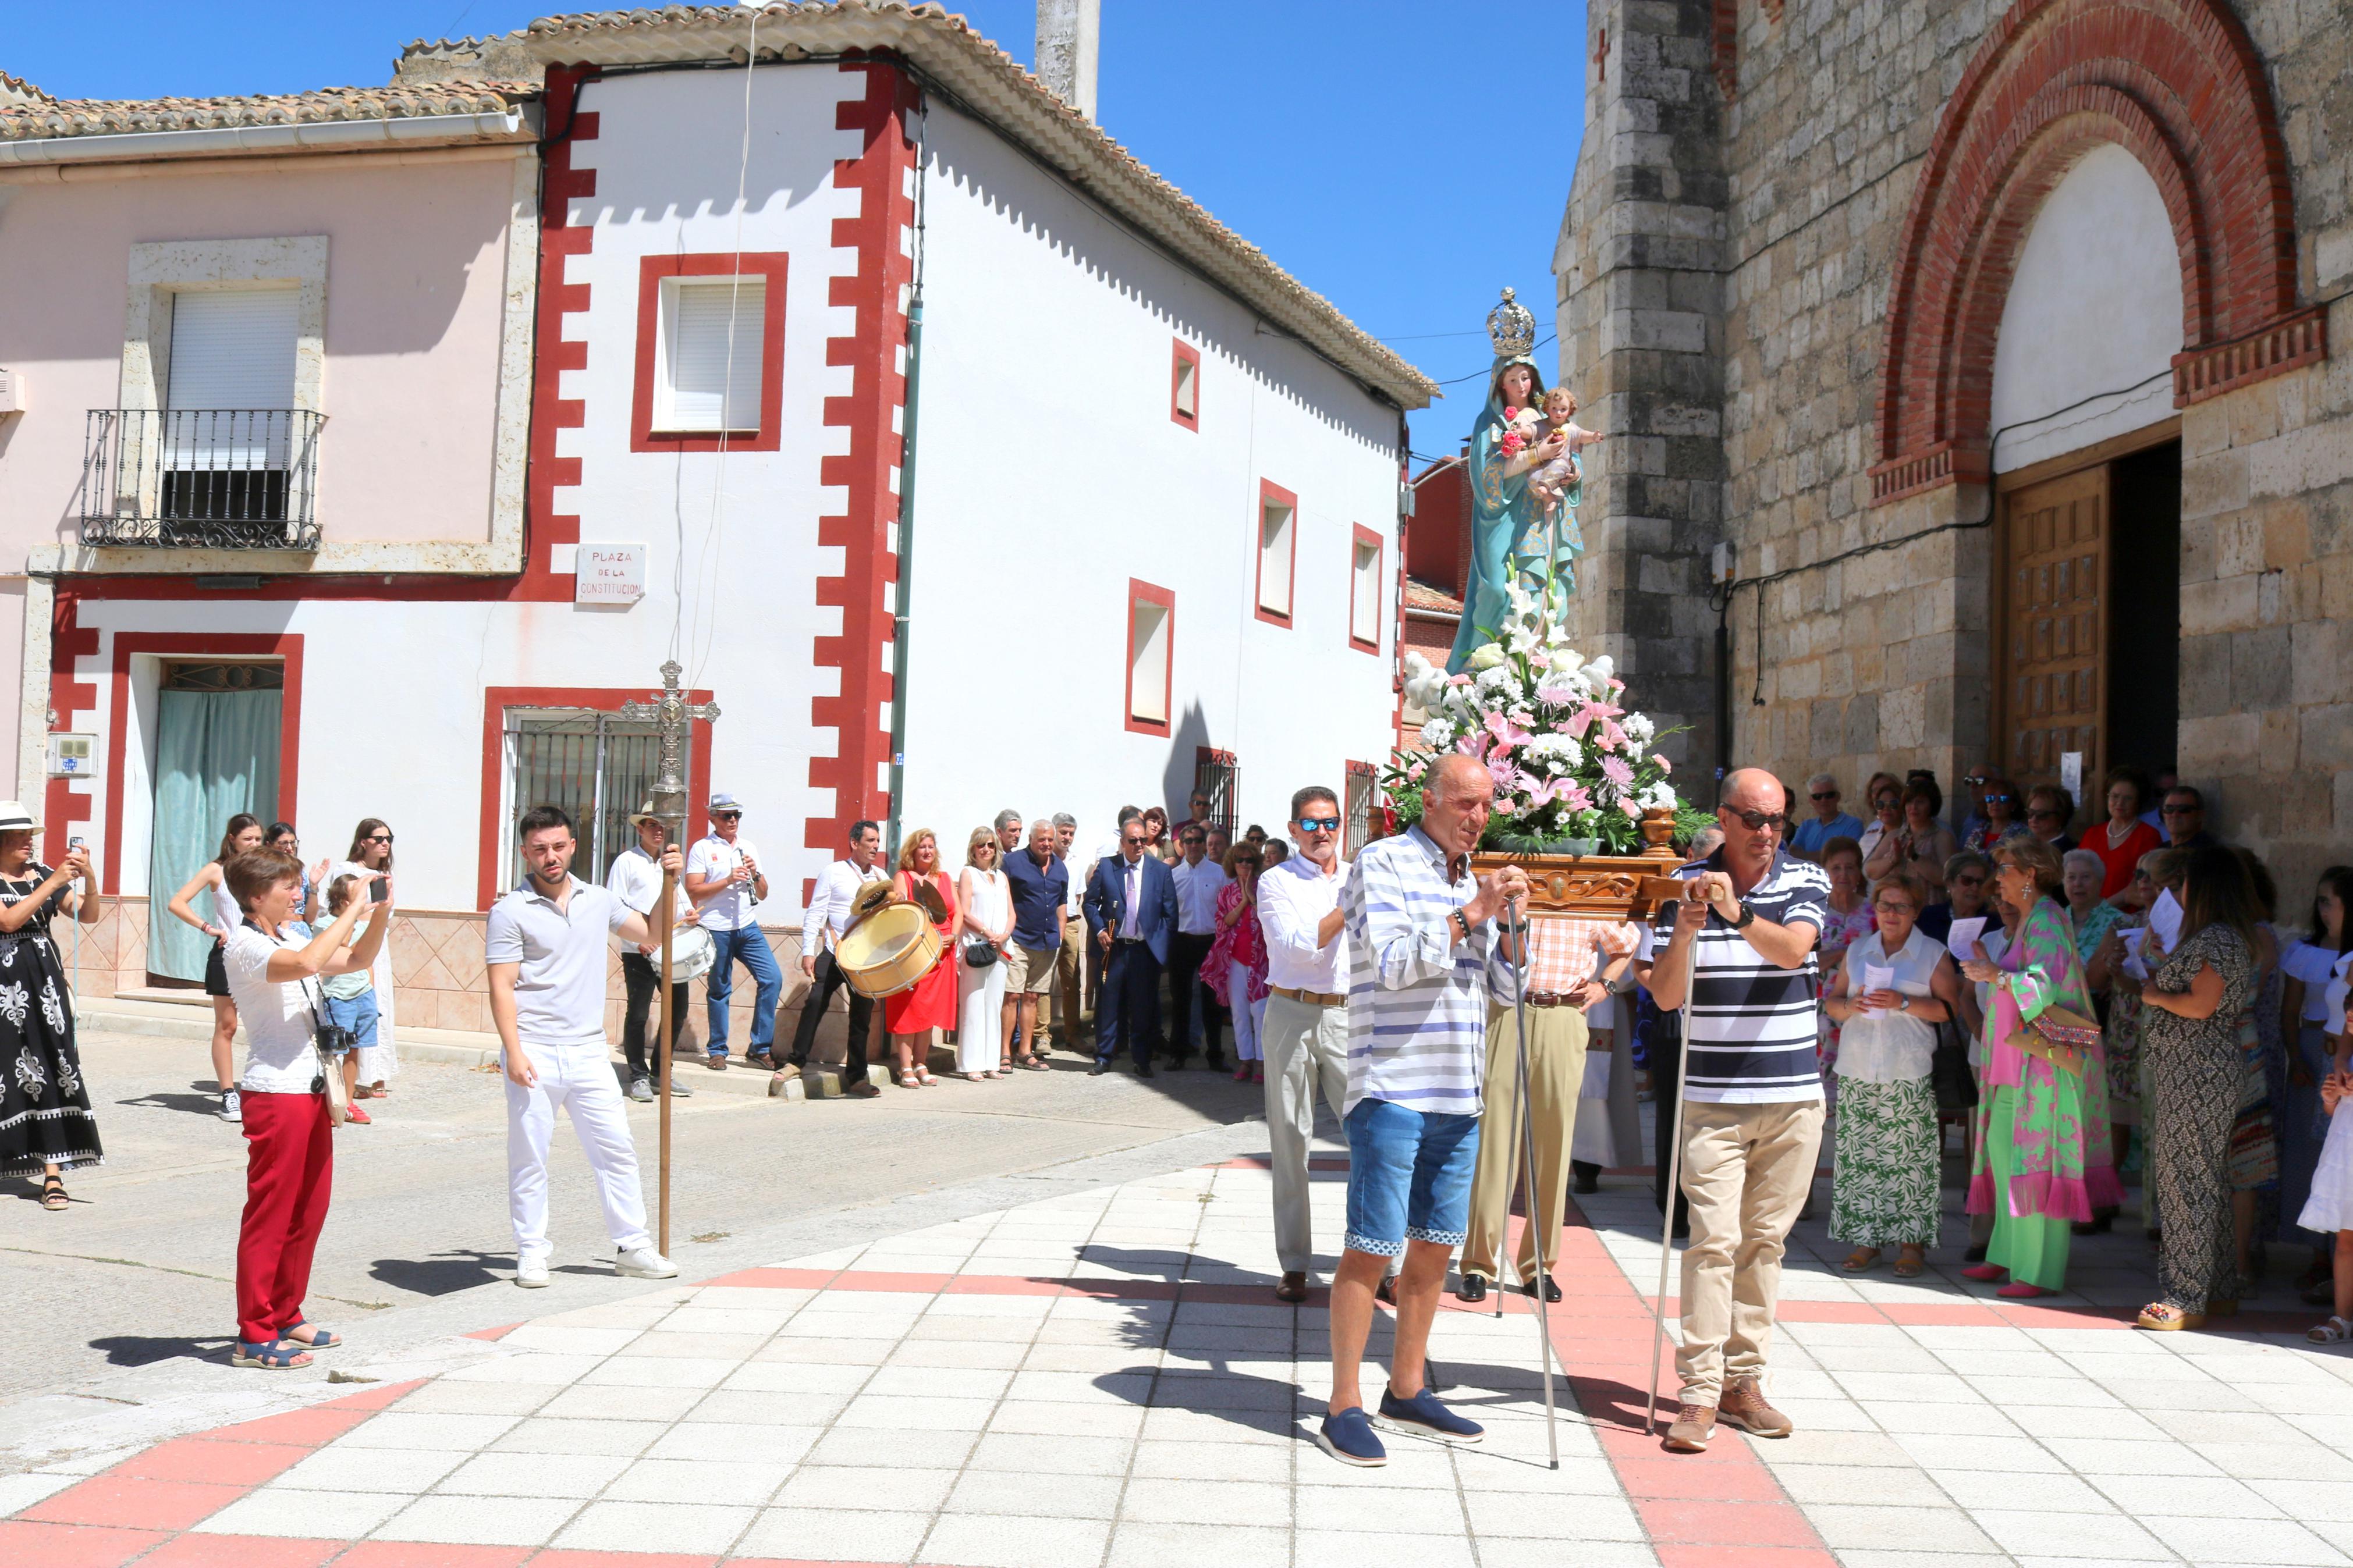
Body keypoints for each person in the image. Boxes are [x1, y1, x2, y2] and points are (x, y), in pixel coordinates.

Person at [1319, 754, 1528, 1466]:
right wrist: (1471, 912)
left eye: (1486, 806)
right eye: (1466, 803)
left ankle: (1405, 1387)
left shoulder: (1470, 879)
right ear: (1430, 800)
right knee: (1371, 1247)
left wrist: (1512, 929)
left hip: (1457, 1092)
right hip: (1392, 1086)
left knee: (1434, 1244)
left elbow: (1501, 988)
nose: (1478, 817)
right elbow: (1393, 963)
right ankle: (1342, 1401)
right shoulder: (1380, 862)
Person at [1641, 767, 1829, 1455]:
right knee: (1712, 1241)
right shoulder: (1683, 883)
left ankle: (1742, 1383)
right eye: (1753, 819)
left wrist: (1736, 914)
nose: (1766, 832)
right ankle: (1697, 1390)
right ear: (1723, 818)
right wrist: (1688, 929)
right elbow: (1664, 996)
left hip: (1789, 1099)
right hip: (1712, 1102)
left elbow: (1794, 951)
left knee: (1763, 1245)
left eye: (1777, 818)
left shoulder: (1805, 881)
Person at [487, 806, 679, 1290]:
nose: (549, 857)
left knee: (616, 1149)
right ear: (524, 852)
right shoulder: (510, 910)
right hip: (535, 1048)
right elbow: (501, 985)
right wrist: (513, 1050)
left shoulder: (600, 899)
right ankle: (532, 1252)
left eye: (557, 846)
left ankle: (632, 1246)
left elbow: (652, 935)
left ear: (573, 846)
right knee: (530, 1154)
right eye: (539, 849)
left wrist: (670, 884)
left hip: (590, 1050)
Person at [222, 844, 392, 1366]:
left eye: (299, 885)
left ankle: (285, 1312)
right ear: (257, 897)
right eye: (289, 887)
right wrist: (350, 909)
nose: (300, 894)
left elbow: (358, 959)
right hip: (275, 1092)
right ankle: (254, 1332)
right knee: (271, 1214)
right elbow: (310, 962)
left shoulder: (292, 932)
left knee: (308, 1210)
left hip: (314, 1088)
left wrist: (378, 910)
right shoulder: (243, 946)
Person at [1957, 837, 2117, 1299]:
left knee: (2035, 1164)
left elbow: (2042, 987)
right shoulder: (2033, 918)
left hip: (2040, 1068)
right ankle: (2006, 1256)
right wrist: (1993, 969)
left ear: (2029, 873)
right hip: (2017, 1062)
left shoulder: (2046, 918)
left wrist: (1995, 976)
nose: (1997, 877)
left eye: (2004, 868)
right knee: (2009, 1159)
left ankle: (2039, 1270)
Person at [1459, 901, 1637, 1303]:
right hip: (1505, 1010)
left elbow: (1627, 942)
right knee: (1492, 1143)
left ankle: (1538, 1263)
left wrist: (1605, 984)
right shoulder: (1514, 884)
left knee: (1552, 1145)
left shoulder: (1587, 895)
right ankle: (1478, 1264)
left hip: (1563, 1011)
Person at [2133, 845, 2264, 1329]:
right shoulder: (2216, 937)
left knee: (2185, 1179)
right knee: (2203, 1177)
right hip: (2195, 1072)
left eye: (2183, 882)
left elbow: (2201, 1005)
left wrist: (2151, 991)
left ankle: (2184, 1296)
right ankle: (2219, 1288)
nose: (2176, 890)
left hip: (2199, 1073)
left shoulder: (2219, 938)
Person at [1822, 867, 1960, 1278]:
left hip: (1908, 1067)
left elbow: (1949, 1009)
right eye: (1884, 905)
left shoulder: (1931, 952)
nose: (1891, 913)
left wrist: (1903, 1002)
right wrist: (1851, 1006)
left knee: (1909, 1161)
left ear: (1915, 910)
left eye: (1900, 906)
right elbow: (1832, 1002)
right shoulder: (1858, 949)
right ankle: (1866, 1241)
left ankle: (1911, 1244)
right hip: (1859, 1065)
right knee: (1861, 1157)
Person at [1256, 788, 1353, 1303]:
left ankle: (1381, 1260)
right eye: (1311, 823)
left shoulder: (1358, 874)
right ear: (1293, 828)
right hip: (1291, 1010)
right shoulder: (1275, 880)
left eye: (1330, 822)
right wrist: (1347, 909)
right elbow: (1297, 945)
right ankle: (1295, 1263)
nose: (1322, 832)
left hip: (1347, 1012)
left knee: (1371, 1139)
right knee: (1291, 1138)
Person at [0, 806, 101, 1210]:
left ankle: (53, 1173)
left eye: (30, 833)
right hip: (5, 990)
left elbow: (88, 914)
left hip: (45, 987)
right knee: (7, 1070)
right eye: (19, 834)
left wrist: (88, 877)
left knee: (55, 1067)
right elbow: (8, 921)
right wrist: (55, 880)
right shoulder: (45, 878)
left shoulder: (42, 872)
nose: (29, 840)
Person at [1449, 347, 1571, 671]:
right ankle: (1480, 662)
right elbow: (1486, 475)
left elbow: (1570, 455)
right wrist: (1537, 454)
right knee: (1494, 587)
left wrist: (1573, 473)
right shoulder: (1490, 423)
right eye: (1513, 379)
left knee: (1536, 586)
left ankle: (1524, 664)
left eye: (1526, 378)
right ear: (1500, 385)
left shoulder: (1548, 419)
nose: (1522, 385)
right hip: (1499, 514)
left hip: (1535, 513)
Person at [2283, 867, 2353, 1297]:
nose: (2321, 908)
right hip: (2325, 1063)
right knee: (2319, 1158)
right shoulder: (2325, 956)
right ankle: (2321, 1259)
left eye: (2331, 900)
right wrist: (2304, 1056)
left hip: (2341, 1067)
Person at [169, 813, 265, 1122]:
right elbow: (177, 902)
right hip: (228, 954)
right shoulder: (217, 871)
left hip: (262, 953)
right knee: (228, 1026)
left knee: (266, 1023)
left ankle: (262, 1089)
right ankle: (228, 1095)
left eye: (258, 839)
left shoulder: (265, 870)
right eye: (247, 839)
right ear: (232, 840)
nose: (254, 844)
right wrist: (209, 928)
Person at [786, 819, 887, 1096]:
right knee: (815, 1001)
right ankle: (795, 1062)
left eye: (878, 841)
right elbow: (816, 912)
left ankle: (857, 1078)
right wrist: (808, 950)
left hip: (864, 959)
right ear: (855, 843)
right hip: (833, 951)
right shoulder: (833, 872)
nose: (876, 847)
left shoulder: (881, 877)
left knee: (861, 1017)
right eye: (870, 841)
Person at [607, 806, 701, 1104]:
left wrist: (690, 913)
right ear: (640, 829)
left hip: (671, 949)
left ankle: (662, 1072)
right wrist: (639, 942)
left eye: (662, 826)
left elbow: (681, 898)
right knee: (638, 1013)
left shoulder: (669, 861)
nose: (658, 830)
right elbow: (615, 905)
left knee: (677, 1011)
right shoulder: (626, 861)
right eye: (652, 825)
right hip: (639, 951)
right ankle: (637, 1076)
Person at [683, 792, 779, 1071]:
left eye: (737, 815)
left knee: (772, 978)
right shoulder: (702, 848)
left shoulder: (748, 847)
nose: (733, 820)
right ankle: (717, 1051)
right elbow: (693, 889)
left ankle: (760, 1048)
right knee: (720, 989)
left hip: (747, 926)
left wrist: (756, 875)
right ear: (713, 818)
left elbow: (763, 894)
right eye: (727, 816)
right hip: (717, 928)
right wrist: (727, 880)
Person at [1083, 815, 1177, 1078]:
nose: (1139, 845)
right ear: (1123, 842)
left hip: (1143, 950)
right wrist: (1100, 929)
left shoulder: (1160, 871)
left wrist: (1160, 947)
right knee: (1108, 1005)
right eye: (1134, 840)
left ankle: (1142, 1059)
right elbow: (1090, 903)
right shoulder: (1107, 866)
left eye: (1143, 840)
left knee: (1143, 1007)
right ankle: (1103, 1056)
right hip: (1114, 949)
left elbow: (1170, 914)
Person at [327, 819, 402, 1101]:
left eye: (389, 838)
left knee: (378, 1006)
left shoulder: (383, 873)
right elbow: (345, 910)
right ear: (363, 842)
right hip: (356, 942)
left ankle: (377, 1074)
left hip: (378, 945)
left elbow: (387, 912)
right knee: (355, 1007)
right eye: (379, 838)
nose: (386, 843)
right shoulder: (348, 872)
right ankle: (357, 1079)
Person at [2298, 966, 2353, 1342]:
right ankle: (2343, 1317)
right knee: (2346, 1237)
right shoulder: (2347, 1063)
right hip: (2347, 1155)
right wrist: (2331, 1098)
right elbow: (2337, 1112)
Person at [885, 830, 959, 1088]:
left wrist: (955, 935)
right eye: (922, 847)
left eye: (931, 846)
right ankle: (905, 1066)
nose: (927, 851)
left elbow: (957, 912)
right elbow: (901, 912)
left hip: (944, 952)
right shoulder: (903, 877)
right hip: (916, 952)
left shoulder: (946, 878)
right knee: (908, 1008)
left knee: (928, 1010)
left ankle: (921, 1062)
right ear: (912, 852)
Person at [313, 877, 381, 1126]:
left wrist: (370, 988)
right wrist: (353, 916)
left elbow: (365, 959)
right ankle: (332, 1102)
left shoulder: (360, 925)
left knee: (355, 1049)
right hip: (338, 997)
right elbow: (340, 946)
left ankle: (348, 1102)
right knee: (333, 1052)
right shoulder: (325, 924)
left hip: (362, 994)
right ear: (344, 902)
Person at [1000, 819, 1065, 1073]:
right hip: (1019, 940)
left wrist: (1060, 932)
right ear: (1031, 839)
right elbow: (1003, 897)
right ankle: (1005, 1052)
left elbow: (1062, 900)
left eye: (1050, 839)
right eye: (1042, 839)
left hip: (1048, 942)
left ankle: (1025, 1052)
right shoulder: (1013, 863)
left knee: (1032, 997)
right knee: (1012, 996)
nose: (1047, 844)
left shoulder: (1060, 867)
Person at [1204, 843, 1268, 1085]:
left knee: (1260, 1013)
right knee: (1239, 1013)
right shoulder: (1226, 893)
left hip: (1261, 961)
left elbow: (1270, 922)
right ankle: (1246, 1060)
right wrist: (1243, 902)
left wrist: (1253, 899)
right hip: (1235, 961)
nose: (1244, 864)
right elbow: (1223, 924)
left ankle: (1262, 1062)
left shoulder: (1266, 889)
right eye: (1240, 860)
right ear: (1233, 863)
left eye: (1249, 860)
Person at [1167, 823, 1229, 1069]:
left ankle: (1215, 1055)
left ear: (1204, 844)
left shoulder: (1219, 873)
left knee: (1212, 1002)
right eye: (1188, 841)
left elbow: (1226, 908)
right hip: (1182, 942)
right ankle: (1178, 1053)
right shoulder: (1173, 876)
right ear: (1182, 845)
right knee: (1180, 1001)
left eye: (1197, 841)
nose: (1193, 845)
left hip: (1210, 943)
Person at [954, 827, 1012, 1082]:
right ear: (973, 849)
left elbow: (1012, 912)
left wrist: (1004, 935)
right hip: (977, 945)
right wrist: (988, 932)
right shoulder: (969, 874)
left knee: (994, 1004)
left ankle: (991, 1063)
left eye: (990, 845)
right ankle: (971, 1063)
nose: (986, 849)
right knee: (974, 1004)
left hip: (1000, 948)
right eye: (981, 846)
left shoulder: (1001, 877)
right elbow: (964, 912)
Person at [1864, 783, 1957, 900]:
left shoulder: (1942, 837)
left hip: (1929, 910)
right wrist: (1892, 860)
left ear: (1932, 805)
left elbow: (1948, 878)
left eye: (1920, 802)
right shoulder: (1894, 836)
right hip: (1897, 910)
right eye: (1909, 802)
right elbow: (1870, 871)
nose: (1913, 807)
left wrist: (1915, 858)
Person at [2084, 765, 2162, 899]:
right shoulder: (2092, 834)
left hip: (2125, 917)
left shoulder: (2148, 836)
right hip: (2090, 913)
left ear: (2138, 802)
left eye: (2128, 798)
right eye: (2115, 796)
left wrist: (2102, 911)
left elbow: (2137, 887)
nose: (2120, 803)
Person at [1052, 813, 1087, 1055]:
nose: (1067, 838)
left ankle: (1073, 1035)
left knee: (1072, 981)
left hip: (1072, 923)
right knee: (1041, 983)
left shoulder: (1077, 861)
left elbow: (1077, 896)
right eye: (1063, 832)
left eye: (1071, 834)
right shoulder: (1043, 858)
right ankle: (1041, 1037)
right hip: (1046, 925)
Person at [1918, 849, 1992, 947]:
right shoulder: (1927, 917)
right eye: (1967, 881)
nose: (1974, 888)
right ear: (1950, 883)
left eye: (1980, 882)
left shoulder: (1994, 922)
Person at [1791, 774, 1865, 861]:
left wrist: (1805, 856)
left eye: (1829, 795)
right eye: (1817, 797)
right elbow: (1792, 853)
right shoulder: (1807, 826)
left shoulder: (1853, 825)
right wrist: (1830, 854)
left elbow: (1845, 857)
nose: (1824, 800)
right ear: (1811, 800)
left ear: (1838, 797)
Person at [1855, 774, 1904, 863]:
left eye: (1892, 803)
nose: (1886, 808)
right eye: (1880, 804)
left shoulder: (1912, 835)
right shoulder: (1868, 837)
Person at [2161, 784, 2218, 850]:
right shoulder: (2162, 849)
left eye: (2184, 809)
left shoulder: (2206, 852)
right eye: (2169, 809)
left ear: (2200, 815)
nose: (2175, 815)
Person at [2027, 784, 2077, 854]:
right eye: (2031, 813)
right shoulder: (2031, 844)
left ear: (2060, 817)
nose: (2034, 819)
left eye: (2041, 814)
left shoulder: (2064, 851)